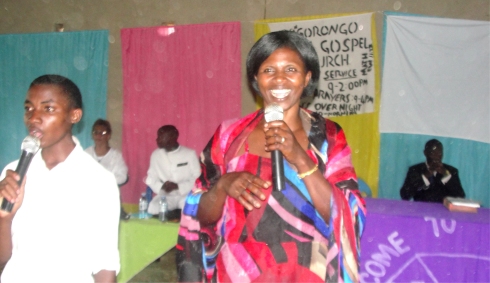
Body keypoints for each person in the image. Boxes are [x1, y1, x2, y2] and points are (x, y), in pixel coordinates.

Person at [176, 31, 366, 283]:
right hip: (239, 272)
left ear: (307, 77)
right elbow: (199, 215)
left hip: (308, 273)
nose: (279, 79)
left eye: (291, 69)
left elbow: (349, 215)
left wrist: (300, 158)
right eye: (268, 70)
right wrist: (223, 186)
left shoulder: (328, 137)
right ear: (255, 78)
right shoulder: (229, 136)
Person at [0, 75, 120, 282]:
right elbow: (3, 259)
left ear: (74, 115)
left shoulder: (98, 181)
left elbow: (104, 266)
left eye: (48, 109)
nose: (34, 117)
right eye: (29, 108)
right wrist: (5, 218)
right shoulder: (13, 172)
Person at [145, 125, 200, 220]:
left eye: (161, 136)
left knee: (190, 209)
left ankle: (176, 216)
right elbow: (151, 178)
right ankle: (173, 216)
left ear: (172, 137)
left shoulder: (189, 154)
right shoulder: (156, 155)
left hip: (185, 194)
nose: (157, 139)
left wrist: (178, 186)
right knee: (154, 207)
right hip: (165, 195)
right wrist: (162, 187)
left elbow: (198, 178)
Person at [85, 118, 130, 220]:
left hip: (109, 198)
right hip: (88, 200)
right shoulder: (86, 154)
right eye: (95, 132)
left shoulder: (116, 156)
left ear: (108, 135)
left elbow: (123, 176)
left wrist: (105, 179)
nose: (98, 135)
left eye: (102, 133)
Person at [400, 139, 465, 203]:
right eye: (433, 153)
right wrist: (424, 177)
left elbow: (460, 197)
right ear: (425, 153)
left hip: (443, 211)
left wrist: (446, 176)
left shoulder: (451, 171)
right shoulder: (415, 170)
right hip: (421, 210)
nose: (437, 156)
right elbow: (405, 195)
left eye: (439, 153)